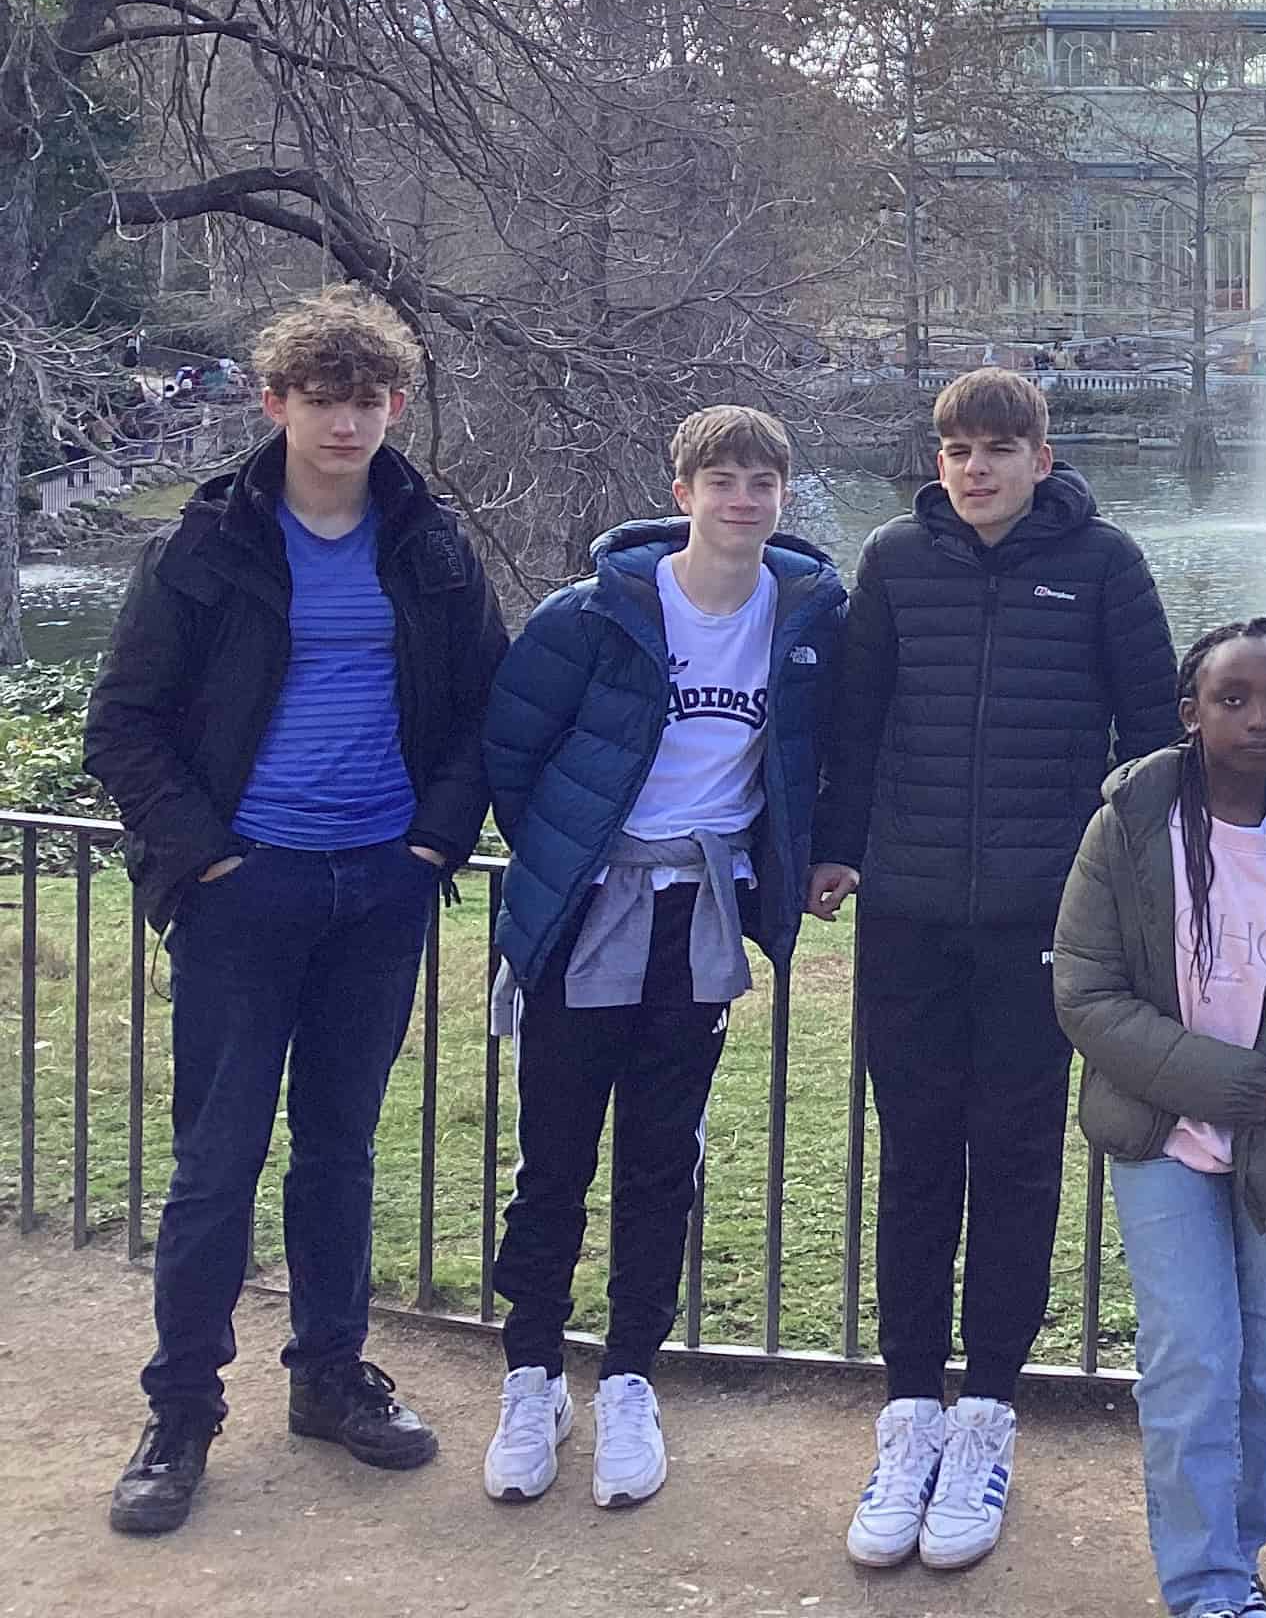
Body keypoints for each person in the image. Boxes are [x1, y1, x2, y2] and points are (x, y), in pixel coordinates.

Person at [90, 288, 508, 1537]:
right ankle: (180, 1413)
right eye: (324, 398)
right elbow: (127, 719)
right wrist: (206, 857)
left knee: (340, 1147)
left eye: (370, 398)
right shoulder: (206, 544)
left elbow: (489, 709)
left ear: (395, 406)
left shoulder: (428, 544)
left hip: (378, 886)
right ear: (275, 405)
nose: (349, 420)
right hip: (244, 891)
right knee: (216, 1159)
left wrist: (432, 841)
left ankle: (330, 1377)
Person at [826, 368, 1182, 1571]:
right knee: (916, 1156)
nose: (973, 468)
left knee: (1020, 1160)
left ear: (1040, 455)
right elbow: (858, 720)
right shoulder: (893, 561)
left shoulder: (1105, 564)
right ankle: (910, 1409)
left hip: (1045, 919)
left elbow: (1150, 745)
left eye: (996, 448)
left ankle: (988, 1413)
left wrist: (1135, 901)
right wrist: (834, 849)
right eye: (955, 449)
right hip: (912, 914)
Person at [477, 407, 848, 1508]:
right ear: (681, 492)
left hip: (701, 913)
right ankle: (533, 1373)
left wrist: (810, 857)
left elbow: (831, 750)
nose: (742, 500)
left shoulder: (810, 617)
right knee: (552, 1157)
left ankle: (630, 1374)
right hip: (589, 909)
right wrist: (573, 853)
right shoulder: (594, 616)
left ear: (783, 497)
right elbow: (513, 747)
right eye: (721, 480)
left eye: (762, 482)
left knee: (660, 1154)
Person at [1054, 623, 1266, 1618]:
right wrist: (1220, 1084)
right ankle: (1206, 1586)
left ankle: (1236, 1555)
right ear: (1190, 711)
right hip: (1162, 1134)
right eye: (1234, 698)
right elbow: (1085, 994)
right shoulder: (1129, 825)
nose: (1259, 718)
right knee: (1193, 1364)